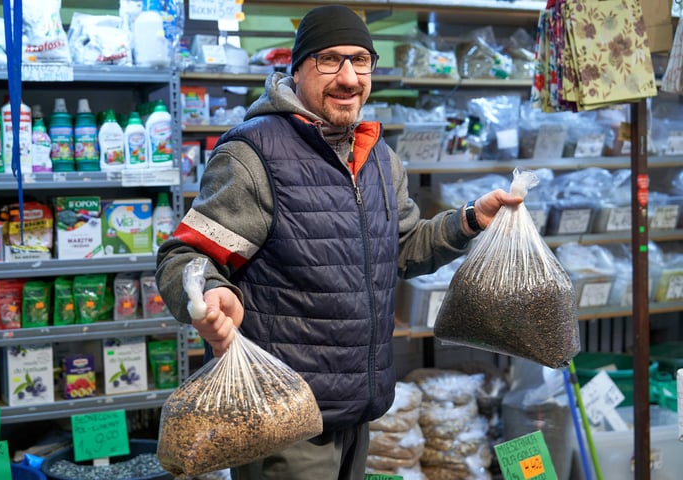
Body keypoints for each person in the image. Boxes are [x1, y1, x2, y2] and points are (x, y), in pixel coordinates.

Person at [155, 4, 523, 479]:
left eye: (361, 60)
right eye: (329, 60)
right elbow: (184, 256)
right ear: (297, 68)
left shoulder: (378, 157)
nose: (349, 77)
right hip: (283, 417)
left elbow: (403, 248)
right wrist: (209, 291)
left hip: (357, 407)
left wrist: (470, 220)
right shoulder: (255, 154)